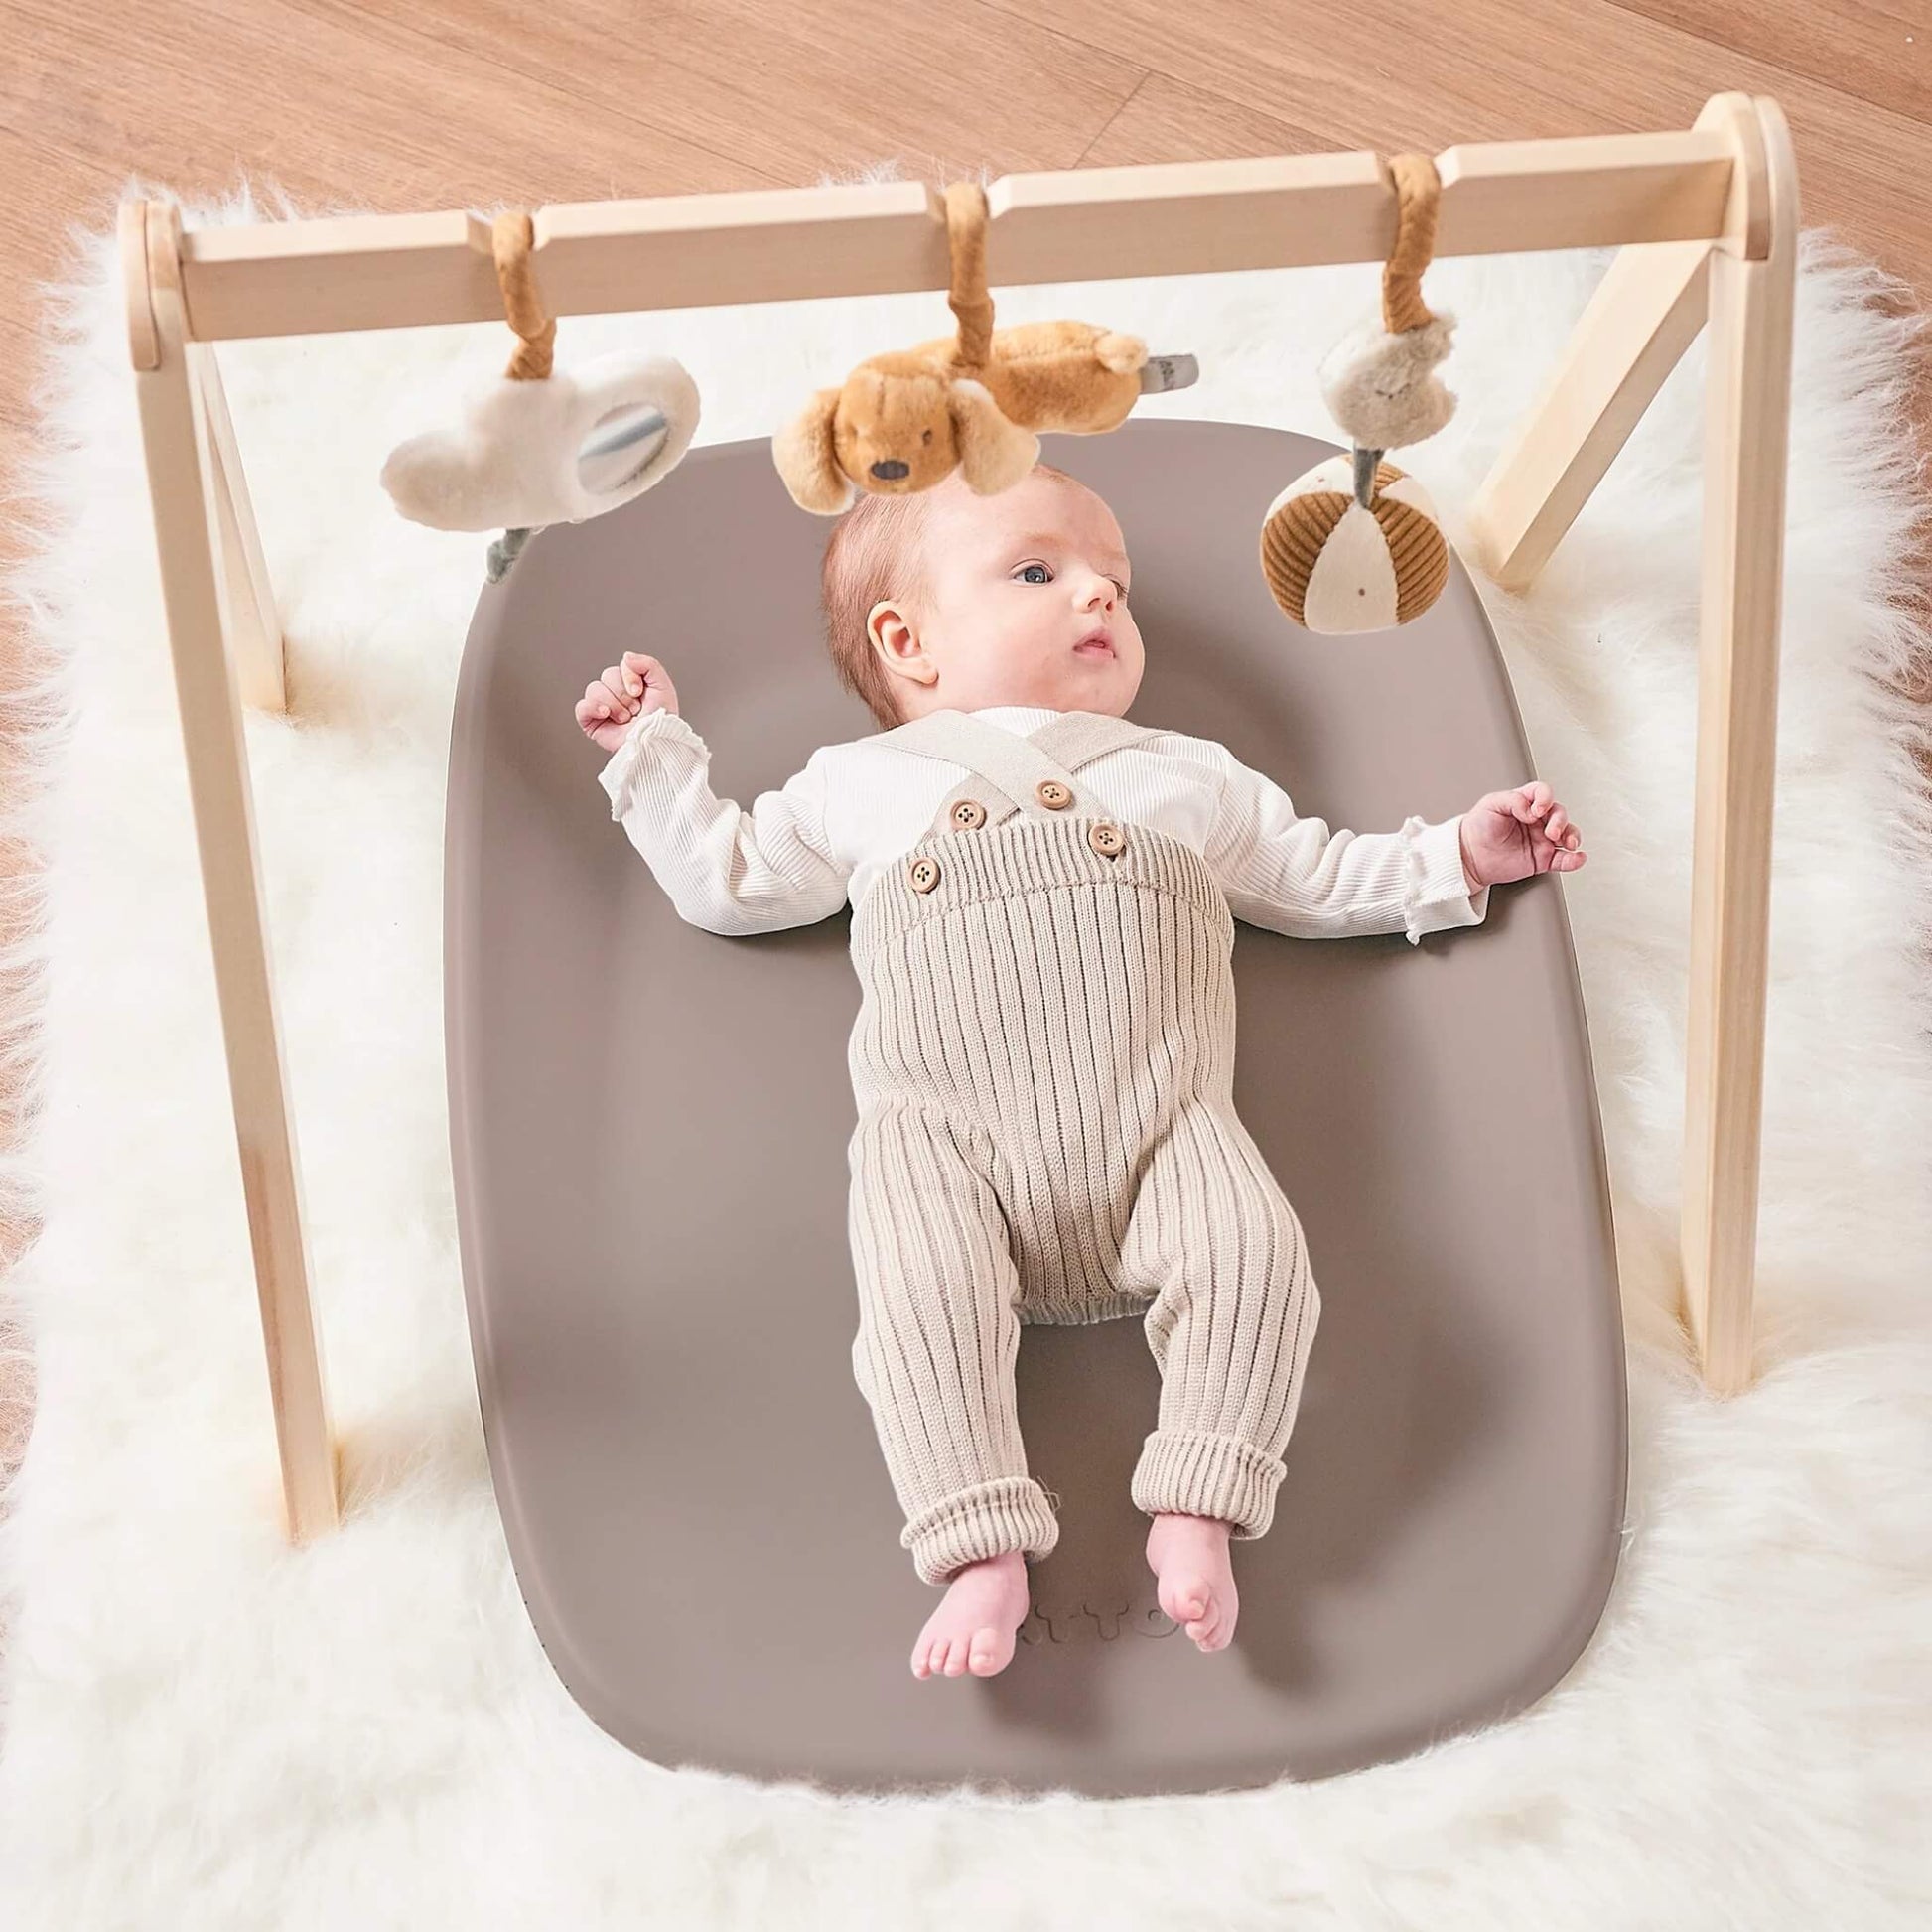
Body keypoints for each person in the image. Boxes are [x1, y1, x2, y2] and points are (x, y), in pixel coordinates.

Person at [575, 462, 1587, 1683]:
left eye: (1116, 582)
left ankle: (1200, 1492)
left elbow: (1316, 877)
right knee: (915, 1302)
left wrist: (1457, 856)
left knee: (1257, 1260)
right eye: (1039, 571)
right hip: (943, 1140)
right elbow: (723, 880)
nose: (1098, 597)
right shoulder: (859, 785)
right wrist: (652, 750)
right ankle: (976, 1541)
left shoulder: (1185, 772)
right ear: (910, 642)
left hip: (1160, 1128)